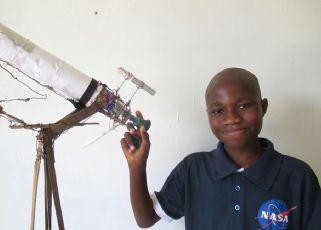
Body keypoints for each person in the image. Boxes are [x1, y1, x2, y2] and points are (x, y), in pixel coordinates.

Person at [120, 68, 321, 229]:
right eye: (218, 111)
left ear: (263, 106)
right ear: (208, 114)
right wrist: (137, 167)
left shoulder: (298, 176)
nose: (231, 118)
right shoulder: (193, 169)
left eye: (243, 105)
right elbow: (146, 219)